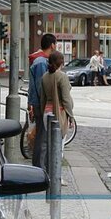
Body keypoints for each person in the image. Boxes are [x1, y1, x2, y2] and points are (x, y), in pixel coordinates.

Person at [40, 50, 75, 183]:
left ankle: (49, 175)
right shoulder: (62, 76)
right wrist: (70, 116)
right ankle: (56, 178)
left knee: (49, 144)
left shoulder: (44, 77)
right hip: (59, 112)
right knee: (58, 147)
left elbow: (42, 98)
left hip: (46, 113)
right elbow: (66, 99)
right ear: (62, 62)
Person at [27, 33, 57, 169]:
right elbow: (41, 86)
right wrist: (47, 104)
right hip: (41, 104)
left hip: (39, 103)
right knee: (42, 138)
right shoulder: (41, 62)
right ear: (52, 45)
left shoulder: (41, 60)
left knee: (42, 135)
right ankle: (40, 167)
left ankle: (40, 166)